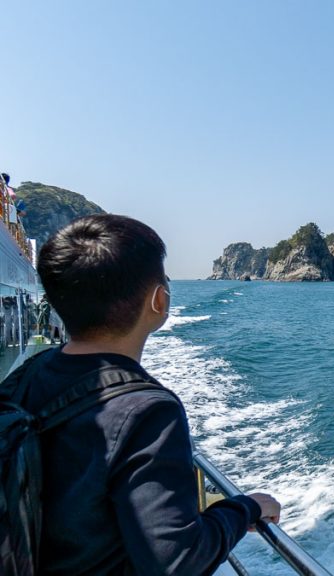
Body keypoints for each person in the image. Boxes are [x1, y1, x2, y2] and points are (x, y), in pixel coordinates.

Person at [17, 214, 281, 575]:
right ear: (159, 300)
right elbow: (178, 560)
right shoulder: (148, 412)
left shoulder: (25, 376)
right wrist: (246, 507)